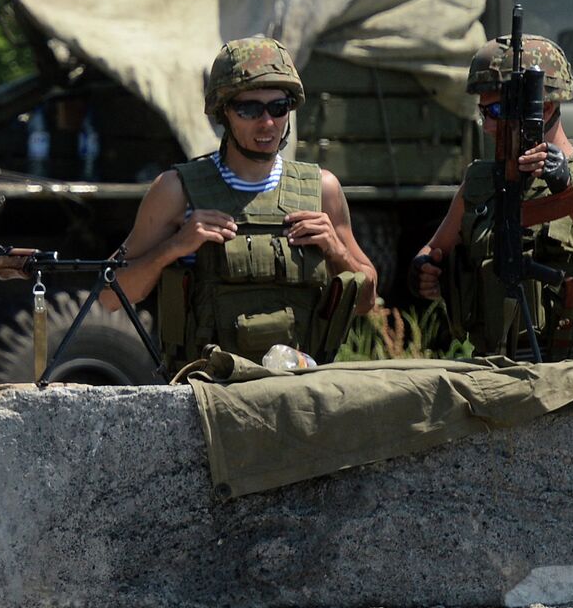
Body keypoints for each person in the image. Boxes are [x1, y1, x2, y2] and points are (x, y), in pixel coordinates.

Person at [106, 36, 377, 365]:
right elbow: (110, 294)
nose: (267, 123)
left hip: (300, 390)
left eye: (278, 108)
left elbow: (366, 302)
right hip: (208, 391)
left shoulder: (322, 189)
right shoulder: (177, 190)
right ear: (224, 113)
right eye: (249, 109)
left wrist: (336, 250)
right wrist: (175, 247)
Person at [411, 34, 573, 359]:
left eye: (497, 110)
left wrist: (565, 188)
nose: (488, 126)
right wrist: (425, 271)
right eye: (483, 112)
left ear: (545, 108)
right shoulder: (480, 183)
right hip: (496, 361)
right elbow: (436, 249)